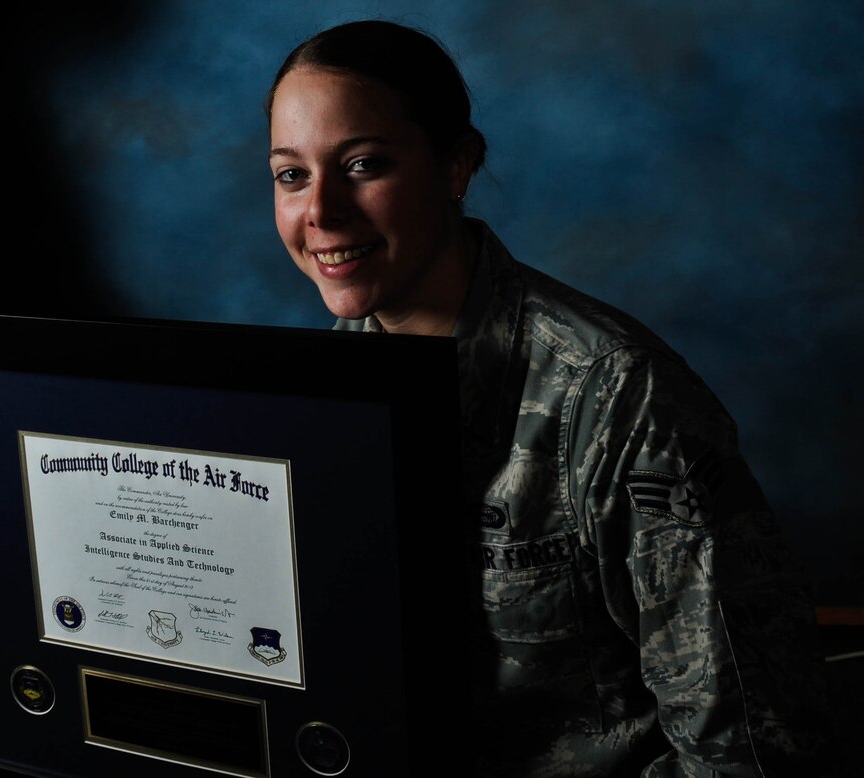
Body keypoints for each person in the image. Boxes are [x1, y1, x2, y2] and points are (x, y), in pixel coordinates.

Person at [267, 19, 832, 777]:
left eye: (363, 165)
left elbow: (750, 753)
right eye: (291, 175)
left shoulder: (619, 397)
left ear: (458, 164)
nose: (322, 213)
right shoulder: (314, 395)